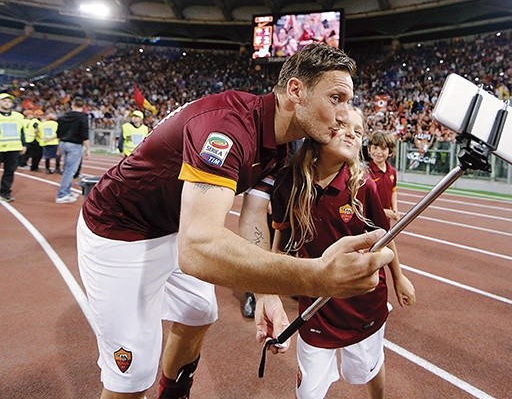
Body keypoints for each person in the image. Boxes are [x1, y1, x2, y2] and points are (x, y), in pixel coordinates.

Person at [77, 43, 395, 399]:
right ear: (295, 91)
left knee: (199, 312)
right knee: (131, 377)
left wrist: (266, 293)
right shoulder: (226, 128)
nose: (343, 114)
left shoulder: (284, 142)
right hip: (120, 232)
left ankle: (173, 393)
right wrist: (318, 276)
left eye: (347, 101)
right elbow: (197, 250)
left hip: (175, 225)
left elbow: (255, 215)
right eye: (336, 97)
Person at [266, 106, 415, 399]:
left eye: (358, 132)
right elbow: (279, 246)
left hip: (363, 302)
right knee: (308, 391)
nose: (352, 134)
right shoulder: (290, 183)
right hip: (316, 307)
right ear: (320, 128)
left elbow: (386, 238)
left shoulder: (363, 186)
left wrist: (399, 278)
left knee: (368, 369)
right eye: (343, 125)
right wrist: (270, 292)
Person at [56, 96, 90, 204]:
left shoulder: (64, 116)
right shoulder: (83, 117)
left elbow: (59, 132)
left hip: (63, 143)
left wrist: (59, 146)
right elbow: (85, 134)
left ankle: (67, 191)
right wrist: (87, 149)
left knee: (67, 168)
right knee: (70, 170)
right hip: (75, 145)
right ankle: (62, 194)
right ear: (83, 106)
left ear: (72, 105)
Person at [367, 131, 399, 222]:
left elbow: (393, 191)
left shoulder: (392, 171)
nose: (378, 152)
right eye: (375, 148)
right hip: (369, 221)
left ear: (390, 151)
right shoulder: (366, 172)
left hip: (385, 220)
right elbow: (364, 201)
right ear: (369, 150)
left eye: (383, 149)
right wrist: (382, 211)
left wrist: (395, 209)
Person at [0, 92, 25, 202]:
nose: (7, 103)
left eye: (9, 101)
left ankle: (5, 192)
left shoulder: (18, 116)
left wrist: (24, 144)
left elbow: (22, 131)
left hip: (13, 148)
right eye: (4, 101)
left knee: (9, 171)